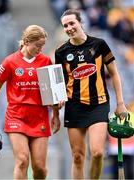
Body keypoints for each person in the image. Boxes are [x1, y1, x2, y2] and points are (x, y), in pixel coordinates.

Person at [0, 25, 61, 179]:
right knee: (22, 161)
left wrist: (55, 114)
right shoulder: (10, 61)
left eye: (42, 46)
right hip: (17, 117)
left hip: (40, 117)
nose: (40, 49)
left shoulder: (46, 61)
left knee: (40, 168)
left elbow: (52, 94)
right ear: (26, 41)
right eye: (37, 45)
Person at [54, 9, 127, 179]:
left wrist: (120, 103)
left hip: (99, 104)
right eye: (65, 25)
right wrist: (56, 113)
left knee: (97, 153)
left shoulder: (99, 44)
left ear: (80, 22)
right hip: (74, 107)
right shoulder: (61, 52)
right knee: (78, 157)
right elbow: (59, 84)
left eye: (72, 23)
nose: (69, 28)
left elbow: (115, 74)